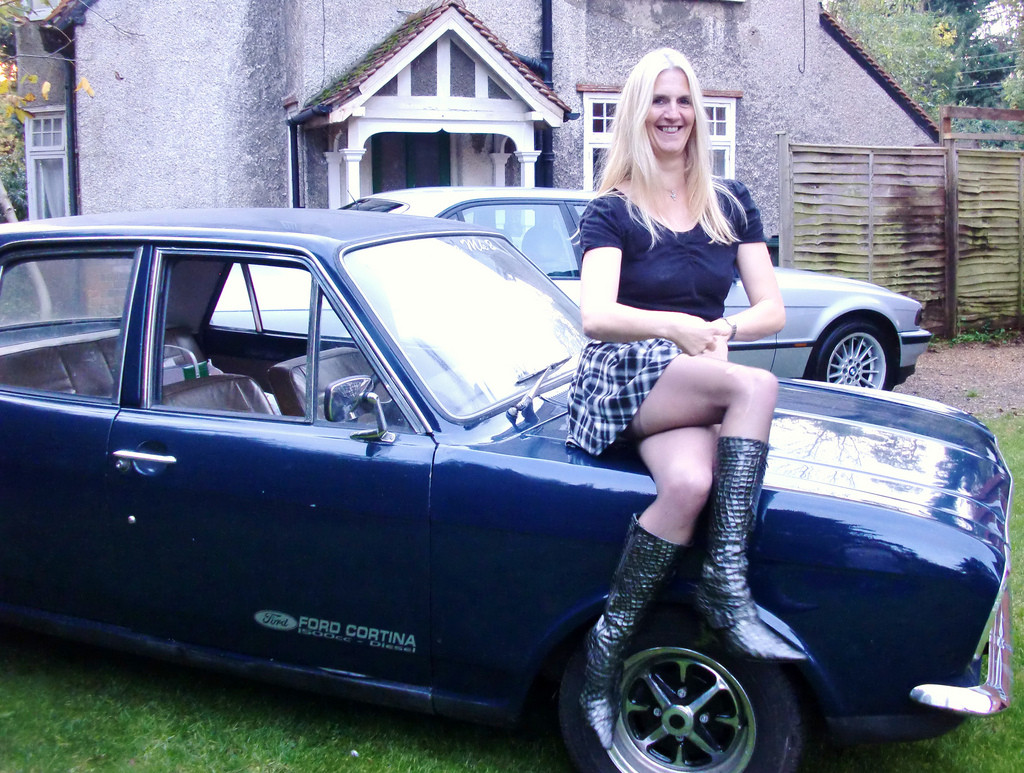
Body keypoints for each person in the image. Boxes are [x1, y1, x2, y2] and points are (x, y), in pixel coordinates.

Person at [567, 48, 805, 750]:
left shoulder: (730, 203)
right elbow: (596, 315)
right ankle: (725, 588)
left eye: (682, 101)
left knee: (691, 485)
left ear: (697, 113)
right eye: (658, 101)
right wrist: (674, 327)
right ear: (637, 113)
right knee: (756, 385)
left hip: (693, 374)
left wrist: (723, 329)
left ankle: (603, 654)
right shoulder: (612, 209)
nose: (671, 114)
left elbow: (771, 309)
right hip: (624, 375)